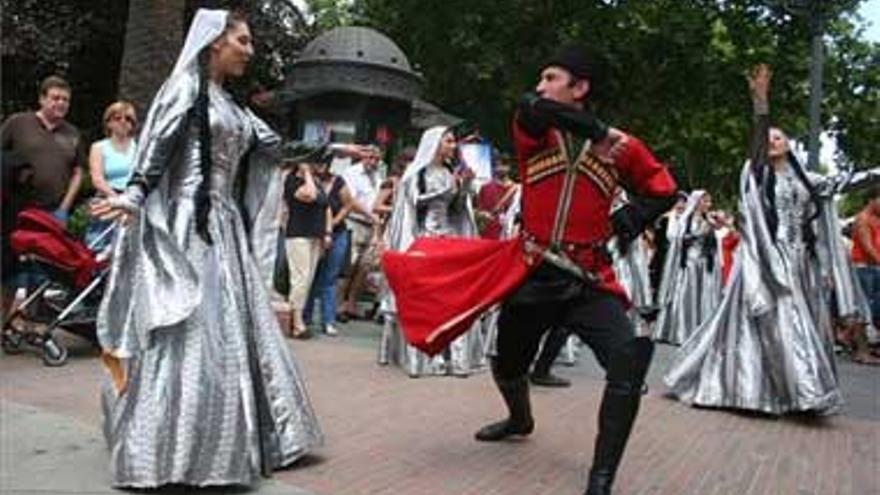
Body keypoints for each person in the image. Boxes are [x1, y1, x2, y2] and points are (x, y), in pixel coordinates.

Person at [91, 9, 332, 487]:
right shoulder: (185, 89)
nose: (250, 49)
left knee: (230, 334)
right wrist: (133, 196)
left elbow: (274, 147)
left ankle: (238, 441)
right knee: (191, 332)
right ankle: (171, 450)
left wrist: (339, 152)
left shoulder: (231, 105)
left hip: (224, 229)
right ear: (214, 43)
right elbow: (155, 151)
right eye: (242, 40)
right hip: (190, 226)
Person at [471, 45, 677, 495]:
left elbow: (664, 189)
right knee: (507, 365)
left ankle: (600, 479)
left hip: (589, 279)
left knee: (628, 365)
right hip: (534, 271)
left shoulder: (624, 148)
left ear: (580, 87)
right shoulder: (535, 132)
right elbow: (532, 108)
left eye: (551, 78)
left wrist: (632, 218)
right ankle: (519, 418)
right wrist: (598, 130)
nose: (540, 86)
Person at [664, 64, 880, 414]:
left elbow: (848, 181)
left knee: (796, 324)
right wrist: (760, 104)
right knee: (775, 322)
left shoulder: (808, 180)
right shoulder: (758, 174)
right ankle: (780, 392)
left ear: (790, 146)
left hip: (800, 264)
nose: (772, 141)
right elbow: (757, 147)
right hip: (762, 260)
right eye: (769, 138)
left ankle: (792, 392)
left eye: (779, 137)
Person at [379, 126, 487, 377]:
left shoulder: (451, 171)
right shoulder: (416, 174)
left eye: (453, 142)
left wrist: (465, 187)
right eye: (448, 141)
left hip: (448, 239)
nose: (453, 146)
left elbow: (457, 208)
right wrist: (449, 190)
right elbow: (414, 201)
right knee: (427, 299)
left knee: (452, 297)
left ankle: (454, 357)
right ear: (435, 144)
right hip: (424, 239)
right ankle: (427, 356)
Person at [1, 75, 84, 316]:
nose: (60, 103)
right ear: (42, 99)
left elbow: (78, 171)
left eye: (65, 100)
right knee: (10, 268)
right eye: (55, 98)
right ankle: (5, 322)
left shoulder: (72, 133)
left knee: (42, 270)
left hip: (52, 212)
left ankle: (29, 321)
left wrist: (65, 207)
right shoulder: (18, 123)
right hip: (16, 209)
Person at [653, 190, 722, 345]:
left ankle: (702, 331)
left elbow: (714, 242)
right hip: (689, 263)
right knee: (685, 294)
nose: (708, 205)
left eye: (709, 202)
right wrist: (698, 232)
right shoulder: (686, 219)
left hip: (704, 265)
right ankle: (682, 331)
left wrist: (713, 227)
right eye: (705, 201)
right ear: (697, 202)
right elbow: (678, 238)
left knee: (703, 296)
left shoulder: (709, 219)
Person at [302, 150, 358, 336]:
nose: (321, 167)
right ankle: (305, 317)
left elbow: (349, 204)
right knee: (309, 277)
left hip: (337, 233)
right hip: (313, 232)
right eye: (317, 163)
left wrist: (334, 222)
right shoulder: (307, 180)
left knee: (329, 278)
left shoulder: (338, 181)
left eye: (324, 163)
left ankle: (328, 320)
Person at [283, 158, 332, 338]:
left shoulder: (316, 182)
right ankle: (297, 322)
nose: (316, 165)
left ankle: (298, 316)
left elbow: (326, 206)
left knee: (308, 279)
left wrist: (327, 232)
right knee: (300, 279)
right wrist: (306, 173)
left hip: (314, 236)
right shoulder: (291, 181)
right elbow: (310, 195)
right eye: (311, 162)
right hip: (299, 234)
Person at [84, 101, 138, 250]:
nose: (123, 122)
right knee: (99, 249)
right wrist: (116, 199)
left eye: (128, 119)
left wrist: (127, 201)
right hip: (106, 200)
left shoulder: (139, 147)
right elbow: (97, 179)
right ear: (108, 123)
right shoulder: (98, 147)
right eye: (117, 118)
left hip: (131, 202)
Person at [339, 145, 383, 320]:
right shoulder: (351, 173)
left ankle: (351, 304)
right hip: (354, 222)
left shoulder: (378, 177)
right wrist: (369, 215)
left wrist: (376, 225)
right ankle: (339, 305)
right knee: (348, 265)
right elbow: (350, 200)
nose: (372, 161)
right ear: (362, 157)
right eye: (369, 157)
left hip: (371, 225)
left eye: (376, 159)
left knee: (363, 268)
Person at [476, 155, 518, 239]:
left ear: (509, 167)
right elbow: (477, 211)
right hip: (488, 236)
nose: (500, 168)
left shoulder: (517, 190)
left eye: (504, 165)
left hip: (509, 235)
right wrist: (482, 215)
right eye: (497, 165)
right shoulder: (485, 188)